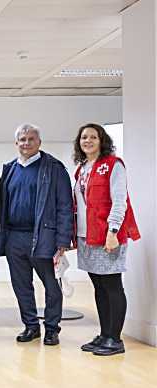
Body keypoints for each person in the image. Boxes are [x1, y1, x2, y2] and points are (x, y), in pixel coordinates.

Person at [0, 124, 73, 346]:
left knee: (51, 285)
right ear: (16, 143)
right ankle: (31, 326)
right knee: (21, 285)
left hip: (43, 237)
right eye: (22, 139)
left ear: (39, 142)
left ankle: (52, 329)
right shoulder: (9, 169)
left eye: (31, 139)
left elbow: (65, 206)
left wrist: (63, 241)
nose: (26, 143)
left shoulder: (54, 168)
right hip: (14, 238)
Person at [72, 123, 140, 356]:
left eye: (93, 137)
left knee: (112, 285)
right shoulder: (82, 168)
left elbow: (120, 201)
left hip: (107, 235)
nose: (88, 141)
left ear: (102, 140)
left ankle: (115, 338)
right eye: (84, 137)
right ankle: (104, 334)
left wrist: (112, 232)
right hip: (86, 236)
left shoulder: (114, 165)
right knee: (99, 286)